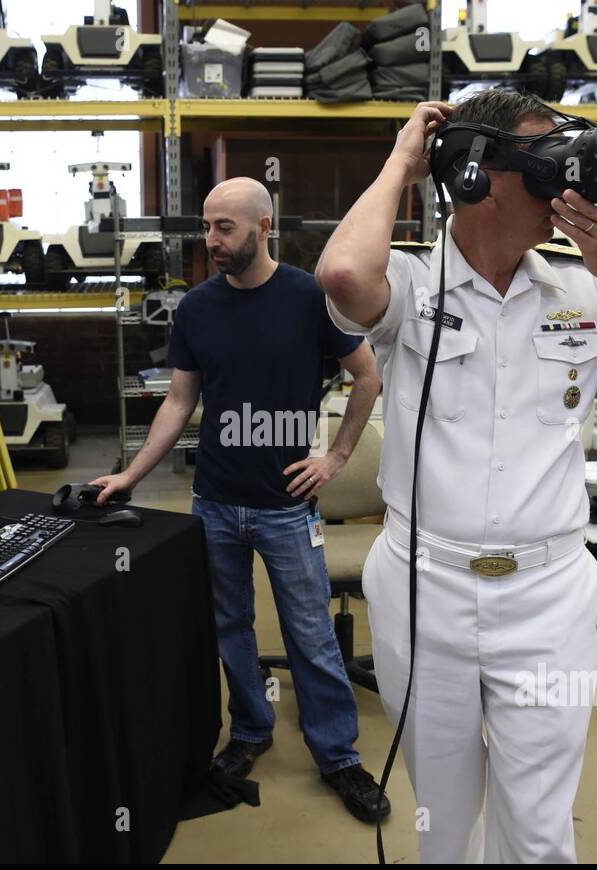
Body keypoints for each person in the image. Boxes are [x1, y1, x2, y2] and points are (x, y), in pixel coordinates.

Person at [316, 91, 597, 862]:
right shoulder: (412, 286)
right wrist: (403, 159)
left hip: (547, 599)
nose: (569, 188)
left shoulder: (585, 290)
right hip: (426, 591)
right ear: (474, 176)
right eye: (545, 166)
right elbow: (340, 274)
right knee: (443, 822)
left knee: (538, 829)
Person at [92, 178, 390, 822]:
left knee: (310, 634)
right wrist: (131, 476)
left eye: (224, 227)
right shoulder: (197, 307)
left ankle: (338, 755)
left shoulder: (312, 297)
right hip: (216, 503)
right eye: (207, 227)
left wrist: (335, 457)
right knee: (229, 629)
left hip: (287, 507)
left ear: (263, 225)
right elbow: (179, 401)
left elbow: (367, 375)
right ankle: (250, 732)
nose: (211, 241)